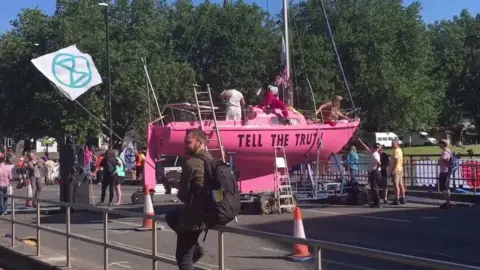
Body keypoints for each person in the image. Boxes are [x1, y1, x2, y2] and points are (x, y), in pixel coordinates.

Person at [167, 129, 210, 270]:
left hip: (194, 216)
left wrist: (177, 185)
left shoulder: (191, 163)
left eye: (188, 142)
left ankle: (196, 249)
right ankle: (195, 247)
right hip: (210, 212)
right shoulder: (211, 160)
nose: (185, 146)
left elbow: (183, 196)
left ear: (200, 142)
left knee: (183, 258)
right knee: (172, 216)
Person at [390, 138, 405, 205]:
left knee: (396, 185)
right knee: (401, 184)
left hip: (396, 169)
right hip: (400, 168)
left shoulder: (396, 151)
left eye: (393, 144)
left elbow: (395, 162)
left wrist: (392, 170)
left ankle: (397, 199)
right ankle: (403, 198)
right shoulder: (400, 150)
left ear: (396, 144)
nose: (392, 145)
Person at [438, 139, 452, 209]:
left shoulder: (444, 152)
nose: (439, 145)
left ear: (443, 144)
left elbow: (443, 161)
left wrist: (439, 161)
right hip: (447, 171)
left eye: (440, 144)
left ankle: (447, 203)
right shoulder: (448, 151)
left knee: (443, 189)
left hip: (444, 172)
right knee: (446, 188)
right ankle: (447, 202)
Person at [368, 143, 382, 208]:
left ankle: (378, 203)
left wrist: (376, 169)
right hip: (374, 171)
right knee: (373, 187)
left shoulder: (375, 155)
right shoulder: (375, 154)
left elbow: (378, 162)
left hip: (375, 172)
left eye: (371, 147)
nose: (371, 148)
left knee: (374, 187)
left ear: (374, 148)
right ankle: (375, 202)